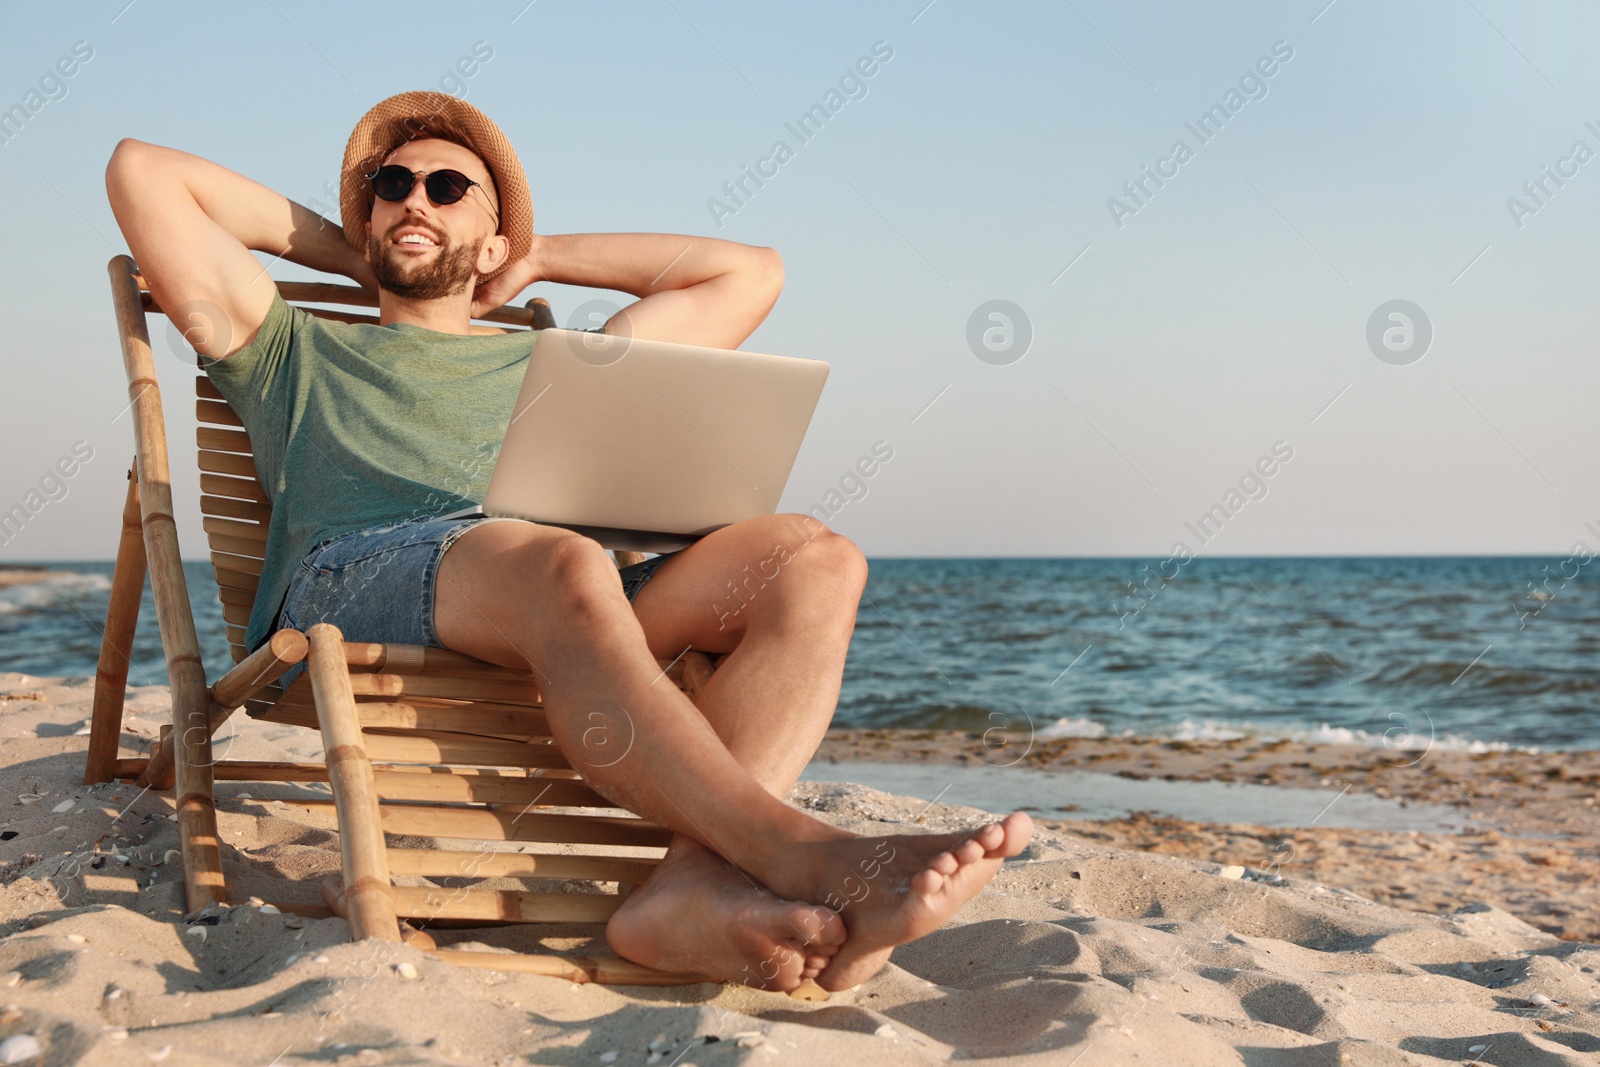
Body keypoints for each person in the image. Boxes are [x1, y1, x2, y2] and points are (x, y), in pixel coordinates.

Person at [105, 90, 1032, 993]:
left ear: (496, 239)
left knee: (815, 558)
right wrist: (355, 247)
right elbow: (141, 171)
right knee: (559, 557)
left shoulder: (561, 361)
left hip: (559, 605)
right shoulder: (287, 345)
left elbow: (750, 273)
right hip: (358, 588)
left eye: (448, 189)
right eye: (391, 186)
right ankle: (793, 848)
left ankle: (688, 886)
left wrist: (541, 256)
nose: (414, 200)